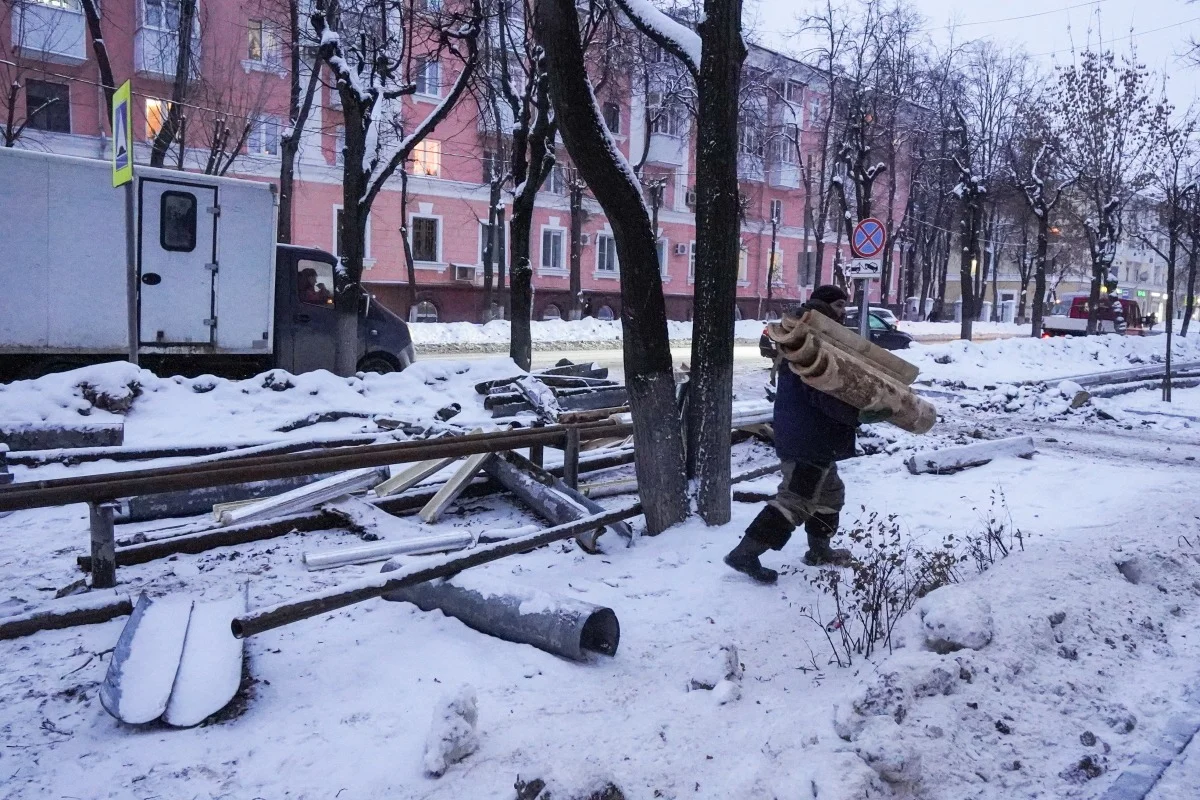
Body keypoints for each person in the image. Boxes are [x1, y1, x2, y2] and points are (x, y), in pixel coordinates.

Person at [724, 284, 891, 584]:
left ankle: (819, 550)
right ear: (824, 307)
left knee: (829, 494)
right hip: (808, 436)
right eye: (839, 305)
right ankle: (745, 553)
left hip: (809, 433)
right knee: (795, 499)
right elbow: (823, 393)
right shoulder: (813, 342)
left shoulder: (808, 335)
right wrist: (858, 414)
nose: (844, 312)